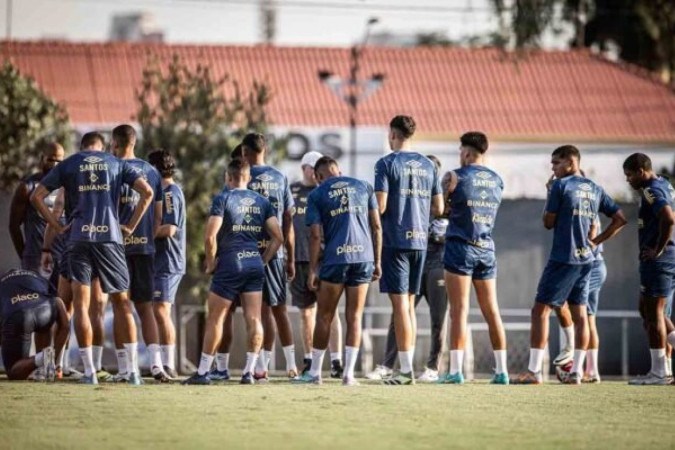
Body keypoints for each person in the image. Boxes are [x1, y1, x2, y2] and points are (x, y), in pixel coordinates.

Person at [31, 129, 154, 385]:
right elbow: (148, 193)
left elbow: (37, 196)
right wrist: (130, 226)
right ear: (105, 146)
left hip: (78, 238)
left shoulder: (69, 164)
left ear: (82, 147)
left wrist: (56, 224)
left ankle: (89, 372)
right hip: (110, 239)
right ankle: (131, 372)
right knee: (122, 302)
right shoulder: (116, 163)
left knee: (81, 304)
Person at [513, 145, 626, 385]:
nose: (552, 168)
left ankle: (534, 372)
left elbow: (548, 222)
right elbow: (620, 218)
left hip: (564, 259)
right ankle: (576, 372)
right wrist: (597, 241)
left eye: (556, 163)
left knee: (539, 311)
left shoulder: (561, 186)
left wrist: (550, 195)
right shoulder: (595, 188)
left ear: (570, 162)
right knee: (580, 316)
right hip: (587, 260)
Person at [182, 159, 283, 385]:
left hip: (229, 263)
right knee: (254, 318)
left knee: (215, 319)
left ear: (228, 177)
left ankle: (203, 372)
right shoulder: (263, 202)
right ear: (248, 178)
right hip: (254, 264)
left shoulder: (223, 198)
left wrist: (210, 263)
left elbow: (209, 236)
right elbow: (279, 237)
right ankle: (249, 372)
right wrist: (263, 259)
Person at [293, 156, 382, 385]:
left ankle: (314, 374)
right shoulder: (364, 186)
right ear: (339, 170)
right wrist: (378, 261)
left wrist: (313, 269)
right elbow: (377, 227)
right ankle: (349, 375)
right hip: (363, 259)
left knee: (324, 316)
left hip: (335, 259)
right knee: (354, 316)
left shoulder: (317, 194)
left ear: (318, 176)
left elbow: (314, 235)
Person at [366, 155, 449, 383]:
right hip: (420, 248)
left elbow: (381, 205)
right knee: (404, 308)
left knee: (429, 316)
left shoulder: (388, 164)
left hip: (427, 258)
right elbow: (438, 207)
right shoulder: (427, 194)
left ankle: (422, 368)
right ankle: (394, 366)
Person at [438, 132, 509, 384]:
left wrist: (448, 208)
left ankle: (455, 372)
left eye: (461, 151)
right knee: (492, 311)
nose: (460, 156)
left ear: (467, 152)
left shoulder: (454, 176)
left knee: (458, 311)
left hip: (460, 246)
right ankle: (502, 372)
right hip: (486, 247)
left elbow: (438, 210)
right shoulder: (497, 180)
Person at [41, 134, 109, 381]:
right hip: (100, 247)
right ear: (101, 149)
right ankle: (92, 366)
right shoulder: (108, 171)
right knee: (93, 308)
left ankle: (58, 364)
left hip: (72, 246)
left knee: (66, 308)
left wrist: (48, 247)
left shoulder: (71, 171)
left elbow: (57, 210)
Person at [112, 125, 169, 382]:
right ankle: (157, 365)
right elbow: (158, 215)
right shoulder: (153, 172)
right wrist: (146, 236)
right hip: (145, 247)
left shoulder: (112, 169)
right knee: (146, 308)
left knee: (120, 305)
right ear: (134, 143)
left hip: (118, 247)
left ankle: (128, 369)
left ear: (115, 144)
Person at [242, 132, 298, 380]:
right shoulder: (279, 177)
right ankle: (290, 365)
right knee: (278, 310)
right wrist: (290, 256)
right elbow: (288, 218)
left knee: (256, 312)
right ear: (265, 150)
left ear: (245, 152)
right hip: (275, 253)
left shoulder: (242, 177)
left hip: (248, 252)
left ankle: (257, 366)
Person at [290, 151, 344, 378]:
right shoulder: (292, 191)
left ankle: (336, 361)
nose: (315, 173)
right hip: (300, 259)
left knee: (331, 313)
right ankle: (310, 359)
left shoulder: (328, 192)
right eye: (311, 168)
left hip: (324, 260)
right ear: (304, 168)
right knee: (306, 314)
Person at [623, 153, 675, 385]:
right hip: (662, 261)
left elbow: (669, 218)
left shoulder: (651, 189)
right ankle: (663, 370)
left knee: (654, 315)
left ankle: (659, 373)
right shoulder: (664, 183)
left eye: (630, 175)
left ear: (641, 171)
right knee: (648, 310)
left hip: (660, 261)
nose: (628, 180)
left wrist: (658, 249)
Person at [149, 150, 186, 379]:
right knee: (157, 310)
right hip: (159, 260)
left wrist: (143, 234)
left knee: (162, 310)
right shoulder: (160, 192)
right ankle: (160, 364)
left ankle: (169, 364)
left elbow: (170, 229)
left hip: (168, 260)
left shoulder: (170, 193)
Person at [9, 142, 64, 286]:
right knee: (37, 304)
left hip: (62, 257)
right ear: (42, 159)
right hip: (35, 259)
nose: (54, 164)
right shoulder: (27, 187)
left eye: (59, 161)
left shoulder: (67, 187)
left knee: (62, 304)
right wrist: (25, 256)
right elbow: (14, 226)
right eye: (51, 159)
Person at [0, 269, 69, 380]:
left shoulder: (3, 284)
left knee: (14, 372)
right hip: (46, 310)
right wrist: (56, 358)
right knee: (47, 320)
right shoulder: (38, 277)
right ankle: (45, 366)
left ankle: (43, 357)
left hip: (19, 313)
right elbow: (58, 304)